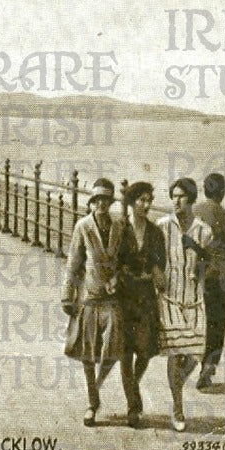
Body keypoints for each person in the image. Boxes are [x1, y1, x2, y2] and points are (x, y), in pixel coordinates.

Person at [61, 178, 130, 428]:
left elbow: (124, 260)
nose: (102, 204)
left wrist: (118, 277)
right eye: (97, 200)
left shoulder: (119, 226)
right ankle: (93, 402)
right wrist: (67, 295)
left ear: (110, 203)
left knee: (114, 347)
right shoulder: (83, 226)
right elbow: (73, 262)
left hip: (111, 297)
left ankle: (98, 387)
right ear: (91, 203)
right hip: (89, 297)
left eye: (106, 200)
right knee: (87, 352)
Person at [158, 177, 213, 432]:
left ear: (191, 199)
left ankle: (176, 385)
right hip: (169, 298)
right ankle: (178, 407)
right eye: (173, 196)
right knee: (175, 351)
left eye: (181, 196)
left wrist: (200, 257)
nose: (176, 201)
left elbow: (209, 268)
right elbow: (154, 261)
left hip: (194, 299)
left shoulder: (203, 231)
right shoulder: (162, 227)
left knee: (195, 353)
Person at [119, 181, 165, 428]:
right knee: (126, 353)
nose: (146, 205)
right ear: (131, 201)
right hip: (124, 298)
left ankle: (133, 386)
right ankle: (133, 407)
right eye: (142, 200)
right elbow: (112, 261)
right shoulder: (120, 229)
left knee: (145, 350)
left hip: (146, 297)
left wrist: (157, 274)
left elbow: (161, 264)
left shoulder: (155, 232)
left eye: (149, 200)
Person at [193, 173, 225, 390]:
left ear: (204, 189)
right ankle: (208, 367)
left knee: (194, 319)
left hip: (198, 273)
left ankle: (186, 363)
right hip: (221, 277)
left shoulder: (195, 211)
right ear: (223, 192)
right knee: (216, 323)